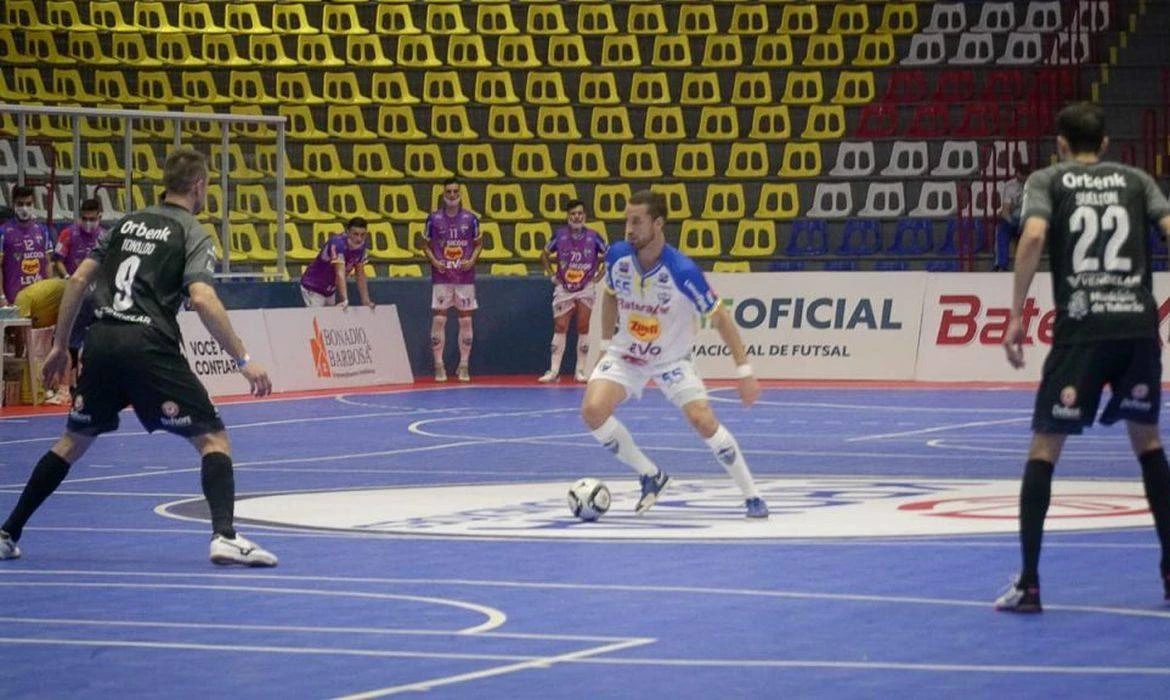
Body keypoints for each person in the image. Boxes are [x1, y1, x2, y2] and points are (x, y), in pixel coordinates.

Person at [0, 148, 278, 567]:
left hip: (101, 341)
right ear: (199, 185)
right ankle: (224, 535)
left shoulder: (125, 223)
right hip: (148, 343)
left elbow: (77, 280)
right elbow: (203, 299)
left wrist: (60, 346)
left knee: (72, 442)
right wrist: (243, 359)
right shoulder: (192, 232)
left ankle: (7, 532)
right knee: (213, 438)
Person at [996, 102, 1170, 613]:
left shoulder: (1049, 180)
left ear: (1061, 145)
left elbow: (1032, 236)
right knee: (1148, 444)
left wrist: (1015, 314)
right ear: (1107, 144)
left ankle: (1030, 584)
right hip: (1137, 328)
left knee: (1044, 448)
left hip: (1082, 331)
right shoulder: (1136, 179)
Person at [579, 190, 770, 518]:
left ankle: (752, 495)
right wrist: (605, 347)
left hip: (671, 359)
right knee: (593, 410)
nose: (629, 229)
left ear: (658, 223)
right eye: (627, 221)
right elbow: (609, 294)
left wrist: (745, 372)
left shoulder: (682, 270)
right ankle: (651, 475)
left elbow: (721, 318)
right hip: (627, 354)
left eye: (637, 222)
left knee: (702, 419)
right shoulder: (617, 256)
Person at [539, 199, 607, 383]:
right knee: (560, 326)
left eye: (580, 213)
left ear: (585, 216)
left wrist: (599, 276)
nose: (577, 217)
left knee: (583, 327)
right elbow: (544, 255)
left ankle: (580, 371)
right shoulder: (559, 235)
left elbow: (608, 256)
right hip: (564, 287)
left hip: (586, 287)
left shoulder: (594, 236)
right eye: (573, 214)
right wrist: (551, 275)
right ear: (568, 216)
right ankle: (554, 371)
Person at [422, 177, 481, 382]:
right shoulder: (433, 219)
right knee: (439, 319)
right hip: (442, 275)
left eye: (456, 191)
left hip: (465, 277)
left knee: (466, 320)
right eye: (449, 192)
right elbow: (425, 244)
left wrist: (471, 260)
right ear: (443, 194)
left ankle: (464, 365)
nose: (453, 195)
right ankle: (439, 365)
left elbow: (479, 244)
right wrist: (434, 261)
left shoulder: (471, 219)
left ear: (460, 194)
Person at [51, 197, 105, 404]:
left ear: (100, 217)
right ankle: (65, 388)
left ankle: (89, 385)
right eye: (85, 218)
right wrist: (67, 277)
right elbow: (57, 261)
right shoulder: (68, 234)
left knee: (94, 343)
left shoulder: (105, 237)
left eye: (92, 219)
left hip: (96, 298)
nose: (88, 222)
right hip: (73, 297)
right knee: (68, 341)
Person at [299, 216, 375, 310]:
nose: (359, 239)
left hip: (330, 291)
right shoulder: (337, 243)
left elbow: (360, 274)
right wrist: (344, 300)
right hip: (313, 287)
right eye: (355, 234)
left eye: (362, 235)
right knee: (317, 318)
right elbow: (340, 273)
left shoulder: (362, 247)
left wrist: (366, 300)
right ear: (348, 232)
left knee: (330, 319)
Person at [0, 184, 54, 308]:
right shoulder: (3, 232)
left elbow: (47, 263)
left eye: (28, 204)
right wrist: (1, 296)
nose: (25, 208)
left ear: (33, 204)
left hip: (40, 300)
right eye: (20, 204)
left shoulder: (43, 230)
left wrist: (50, 293)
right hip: (13, 300)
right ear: (13, 204)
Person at [993, 159, 1031, 271]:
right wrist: (1012, 222)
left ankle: (1025, 266)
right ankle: (1001, 265)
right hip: (1012, 219)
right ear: (1017, 173)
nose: (1023, 177)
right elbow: (1005, 211)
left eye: (1025, 174)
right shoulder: (1010, 186)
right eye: (1021, 174)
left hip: (1027, 220)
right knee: (1002, 230)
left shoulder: (1034, 186)